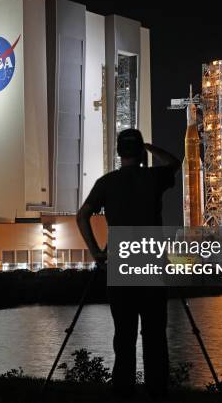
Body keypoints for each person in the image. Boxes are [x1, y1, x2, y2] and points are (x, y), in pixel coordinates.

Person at [77, 128, 180, 401]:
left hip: (120, 266)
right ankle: (157, 392)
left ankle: (123, 392)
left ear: (119, 153)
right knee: (155, 336)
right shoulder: (154, 177)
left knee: (124, 337)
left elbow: (82, 215)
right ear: (140, 153)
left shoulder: (106, 183)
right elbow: (175, 162)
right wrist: (150, 146)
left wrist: (96, 251)